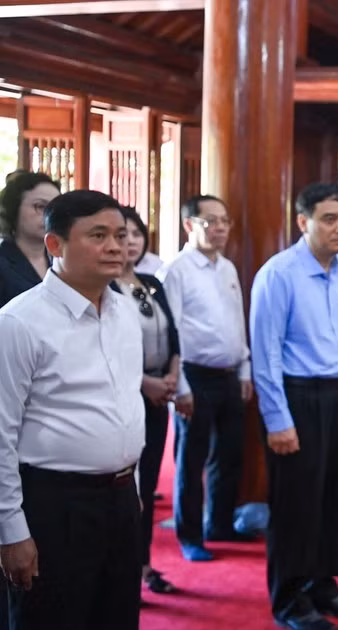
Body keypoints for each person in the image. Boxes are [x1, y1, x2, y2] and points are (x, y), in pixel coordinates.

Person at [0, 190, 145, 629]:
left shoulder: (125, 311)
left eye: (120, 234)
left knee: (116, 616)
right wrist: (11, 530)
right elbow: (2, 434)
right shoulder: (20, 322)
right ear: (55, 244)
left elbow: (126, 404)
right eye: (98, 235)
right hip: (55, 504)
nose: (116, 246)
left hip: (121, 498)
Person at [249, 183, 338, 629]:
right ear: (303, 222)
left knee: (334, 499)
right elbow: (266, 353)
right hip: (298, 398)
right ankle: (290, 600)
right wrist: (277, 420)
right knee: (297, 506)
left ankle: (323, 586)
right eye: (329, 218)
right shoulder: (279, 273)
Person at [159, 194, 253, 562]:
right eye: (211, 221)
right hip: (194, 376)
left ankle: (221, 524)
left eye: (225, 221)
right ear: (189, 225)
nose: (220, 228)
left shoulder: (227, 268)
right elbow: (171, 331)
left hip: (229, 374)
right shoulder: (176, 270)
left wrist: (244, 368)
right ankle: (190, 536)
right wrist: (180, 386)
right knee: (191, 460)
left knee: (229, 456)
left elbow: (237, 321)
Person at [111, 207, 181, 596]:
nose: (129, 242)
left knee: (148, 484)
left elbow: (174, 334)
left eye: (135, 234)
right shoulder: (104, 288)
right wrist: (145, 383)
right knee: (124, 488)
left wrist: (172, 374)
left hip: (157, 395)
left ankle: (143, 564)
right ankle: (122, 571)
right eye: (121, 235)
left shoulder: (152, 282)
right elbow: (105, 353)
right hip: (124, 395)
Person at [0, 173, 60, 307]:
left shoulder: (64, 259)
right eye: (40, 206)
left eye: (55, 209)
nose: (50, 216)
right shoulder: (3, 263)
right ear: (14, 208)